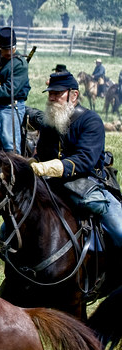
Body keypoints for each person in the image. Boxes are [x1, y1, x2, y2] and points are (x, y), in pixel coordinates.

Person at [30, 71, 122, 249]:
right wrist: (31, 163)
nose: (52, 98)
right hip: (51, 184)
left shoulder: (91, 121)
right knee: (7, 230)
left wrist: (46, 168)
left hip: (87, 183)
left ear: (74, 95)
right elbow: (41, 154)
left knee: (120, 231)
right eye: (50, 93)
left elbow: (84, 160)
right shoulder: (49, 121)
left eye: (58, 93)